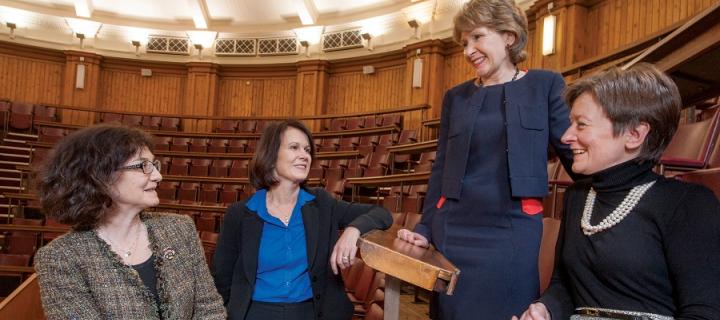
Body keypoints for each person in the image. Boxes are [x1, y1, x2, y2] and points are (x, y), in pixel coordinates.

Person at [395, 0, 576, 318]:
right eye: (464, 42)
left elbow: (573, 152)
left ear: (509, 36)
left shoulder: (545, 85)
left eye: (477, 37)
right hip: (454, 229)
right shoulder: (456, 97)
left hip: (514, 228)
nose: (468, 50)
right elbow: (441, 166)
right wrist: (425, 227)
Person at [516, 64, 720, 320]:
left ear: (634, 135)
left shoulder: (688, 204)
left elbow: (704, 312)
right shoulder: (578, 196)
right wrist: (545, 309)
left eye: (581, 125)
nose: (566, 136)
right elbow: (564, 286)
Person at [34, 124, 225, 319]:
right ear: (100, 176)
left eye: (154, 165)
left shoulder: (179, 229)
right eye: (143, 166)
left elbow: (209, 308)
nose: (158, 177)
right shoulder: (60, 257)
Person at [212, 119, 393, 320]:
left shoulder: (322, 204)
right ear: (271, 156)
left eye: (307, 150)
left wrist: (353, 230)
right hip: (255, 312)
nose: (304, 156)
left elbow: (382, 214)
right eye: (294, 147)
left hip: (312, 312)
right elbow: (222, 277)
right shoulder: (240, 213)